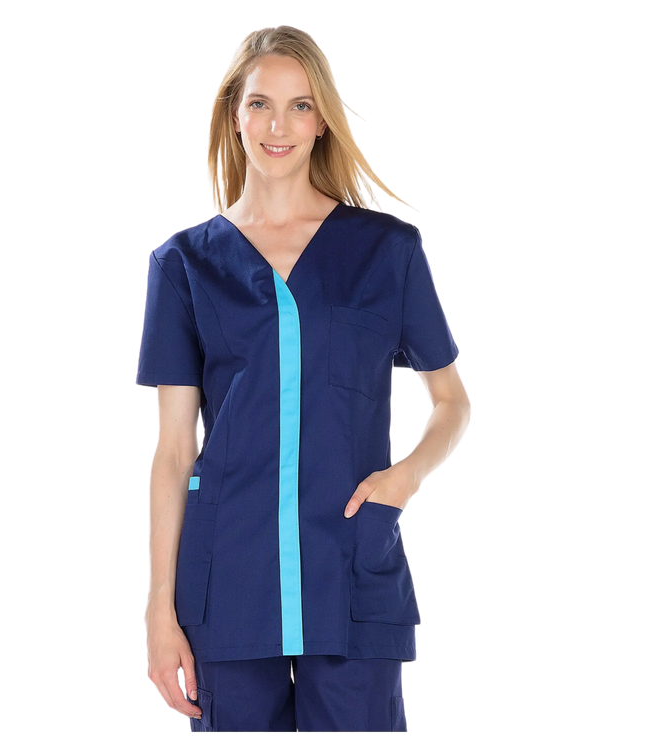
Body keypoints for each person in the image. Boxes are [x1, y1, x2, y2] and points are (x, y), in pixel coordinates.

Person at [135, 22, 473, 735]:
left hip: (350, 563)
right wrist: (156, 610)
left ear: (323, 120)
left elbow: (452, 402)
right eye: (259, 103)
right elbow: (172, 450)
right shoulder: (183, 263)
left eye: (299, 105)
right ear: (233, 115)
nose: (277, 125)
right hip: (227, 576)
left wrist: (405, 478)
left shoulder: (388, 250)